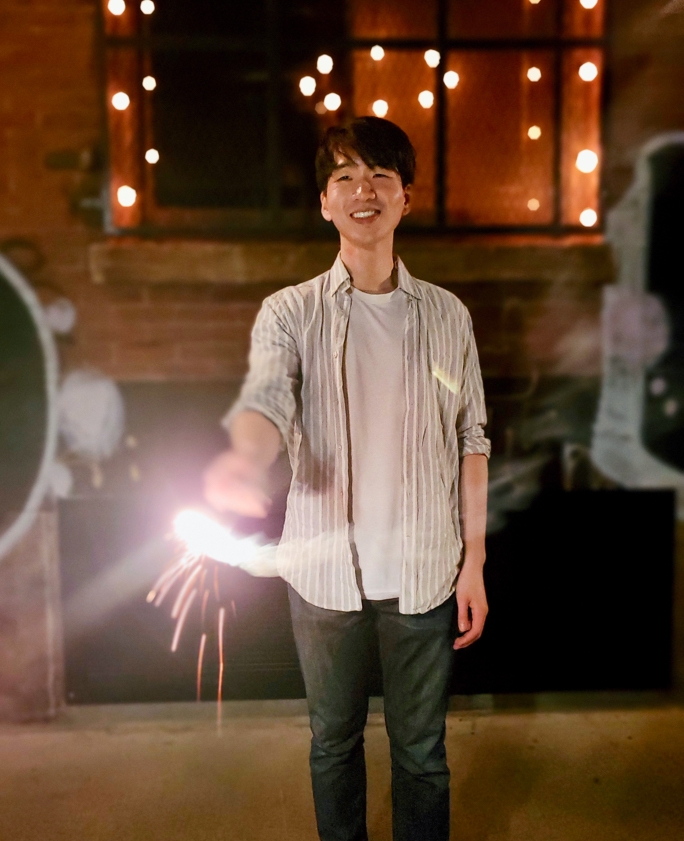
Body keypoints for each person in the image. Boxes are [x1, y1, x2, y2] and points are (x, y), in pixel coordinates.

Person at [204, 116, 490, 841]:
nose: (364, 191)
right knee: (333, 744)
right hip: (325, 573)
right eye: (345, 178)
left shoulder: (449, 317)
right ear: (325, 202)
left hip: (425, 570)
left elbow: (472, 441)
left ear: (405, 198)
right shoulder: (290, 313)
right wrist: (244, 458)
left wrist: (475, 561)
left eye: (380, 177)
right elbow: (265, 400)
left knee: (422, 752)